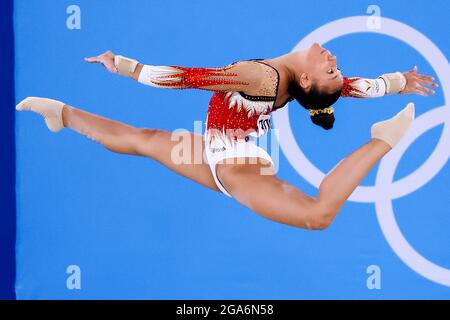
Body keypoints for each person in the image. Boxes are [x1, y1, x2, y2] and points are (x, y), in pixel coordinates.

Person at [16, 43, 438, 230]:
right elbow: (354, 87)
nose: (334, 60)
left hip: (239, 168)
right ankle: (63, 114)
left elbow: (187, 79)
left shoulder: (261, 77)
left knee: (318, 215)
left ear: (307, 78)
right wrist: (399, 80)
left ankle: (383, 140)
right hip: (219, 155)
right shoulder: (305, 80)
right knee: (143, 139)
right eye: (335, 67)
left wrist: (126, 66)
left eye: (330, 67)